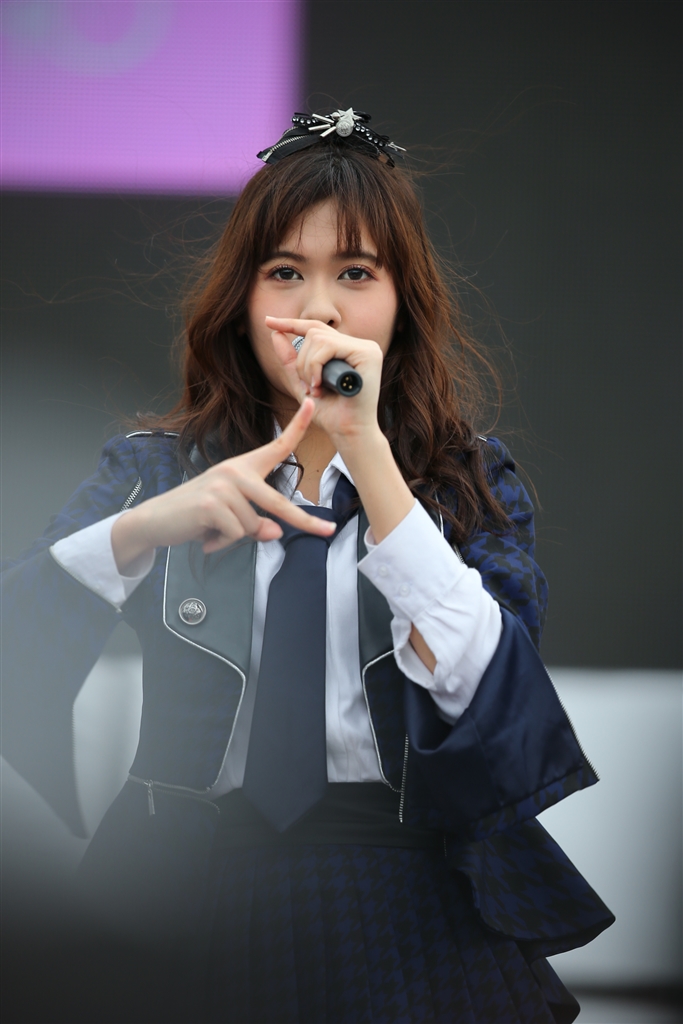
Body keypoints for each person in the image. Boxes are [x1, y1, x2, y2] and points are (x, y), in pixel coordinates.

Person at [1, 109, 613, 1024]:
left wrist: (367, 452)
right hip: (187, 895)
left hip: (413, 897)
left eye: (355, 274)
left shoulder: (467, 481)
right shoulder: (152, 472)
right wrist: (142, 530)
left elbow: (497, 702)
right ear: (242, 300)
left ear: (401, 302)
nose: (318, 310)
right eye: (285, 272)